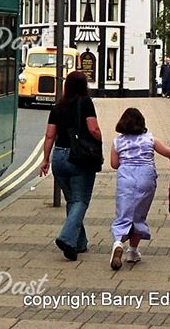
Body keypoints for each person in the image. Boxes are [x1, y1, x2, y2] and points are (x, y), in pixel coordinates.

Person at [39, 70, 102, 261]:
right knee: (80, 201)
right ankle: (66, 238)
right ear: (84, 86)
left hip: (59, 157)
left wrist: (45, 159)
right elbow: (93, 128)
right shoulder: (85, 102)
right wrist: (100, 139)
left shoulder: (58, 106)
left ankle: (79, 243)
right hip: (79, 158)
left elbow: (50, 135)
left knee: (72, 201)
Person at [108, 108, 170, 270]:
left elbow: (114, 164)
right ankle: (132, 252)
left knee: (124, 213)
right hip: (146, 179)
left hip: (126, 179)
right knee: (139, 214)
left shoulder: (118, 142)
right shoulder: (150, 139)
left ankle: (118, 242)